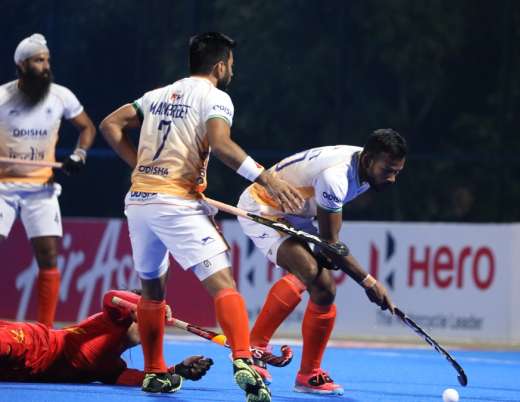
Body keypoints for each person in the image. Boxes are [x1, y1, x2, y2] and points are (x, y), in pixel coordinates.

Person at [99, 31, 303, 400]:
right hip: (176, 203)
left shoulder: (156, 95)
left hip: (140, 202)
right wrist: (266, 177)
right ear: (220, 64)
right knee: (223, 284)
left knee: (152, 290)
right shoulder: (215, 97)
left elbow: (109, 125)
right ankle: (244, 360)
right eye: (231, 65)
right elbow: (222, 144)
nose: (232, 72)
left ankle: (155, 373)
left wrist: (139, 166)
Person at [237, 129, 406, 395]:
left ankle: (308, 375)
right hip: (263, 207)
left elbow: (328, 237)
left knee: (325, 289)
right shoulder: (335, 176)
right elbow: (331, 241)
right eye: (388, 170)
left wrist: (326, 249)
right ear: (368, 159)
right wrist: (369, 282)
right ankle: (253, 346)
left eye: (397, 171)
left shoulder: (365, 168)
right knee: (309, 271)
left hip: (297, 212)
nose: (392, 178)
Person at [0, 33, 96, 328]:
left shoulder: (61, 96)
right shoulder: (2, 97)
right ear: (21, 65)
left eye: (47, 60)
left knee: (48, 254)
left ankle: (44, 333)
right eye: (38, 60)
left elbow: (87, 128)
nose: (45, 66)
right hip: (2, 187)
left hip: (41, 189)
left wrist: (79, 155)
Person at [0, 289, 213, 386]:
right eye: (145, 320)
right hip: (31, 342)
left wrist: (178, 371)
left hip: (19, 372)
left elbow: (140, 379)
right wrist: (142, 305)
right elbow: (111, 297)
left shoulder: (111, 367)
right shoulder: (110, 320)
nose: (150, 327)